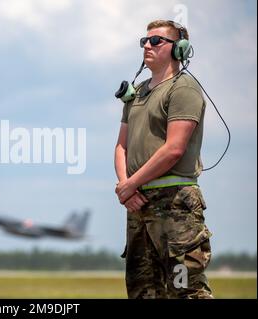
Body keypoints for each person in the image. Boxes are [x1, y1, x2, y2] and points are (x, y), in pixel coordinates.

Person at [114, 20, 213, 299]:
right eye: (144, 41)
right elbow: (121, 146)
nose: (147, 45)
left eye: (156, 41)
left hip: (176, 203)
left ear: (179, 49)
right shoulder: (136, 93)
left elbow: (174, 149)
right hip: (137, 203)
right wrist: (126, 187)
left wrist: (130, 184)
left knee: (186, 290)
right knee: (143, 291)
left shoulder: (184, 89)